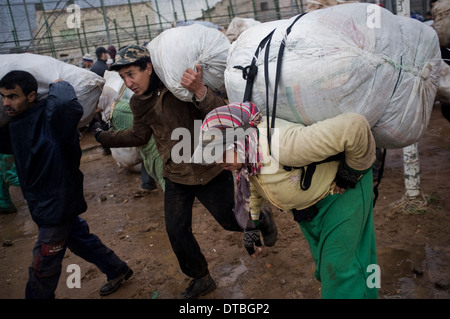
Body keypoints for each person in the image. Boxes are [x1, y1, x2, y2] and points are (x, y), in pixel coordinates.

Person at [91, 44, 278, 299]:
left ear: (148, 68)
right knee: (176, 230)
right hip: (175, 175)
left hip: (209, 170)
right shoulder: (138, 103)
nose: (128, 82)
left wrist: (199, 90)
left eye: (131, 74)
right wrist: (104, 137)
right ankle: (201, 278)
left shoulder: (179, 88)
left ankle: (262, 219)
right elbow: (138, 135)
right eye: (123, 77)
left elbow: (220, 113)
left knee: (229, 221)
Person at [192, 102, 378, 299]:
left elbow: (355, 126)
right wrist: (251, 224)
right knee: (331, 271)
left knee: (340, 275)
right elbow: (254, 185)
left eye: (222, 150)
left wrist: (351, 173)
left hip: (341, 198)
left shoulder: (283, 144)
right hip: (310, 212)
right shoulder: (249, 155)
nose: (219, 161)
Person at [0, 70, 132, 299]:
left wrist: (58, 85)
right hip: (41, 202)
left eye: (12, 96)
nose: (6, 103)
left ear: (32, 96)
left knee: (43, 267)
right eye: (3, 97)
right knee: (81, 241)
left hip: (57, 203)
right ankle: (117, 269)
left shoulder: (52, 122)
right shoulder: (15, 125)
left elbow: (66, 106)